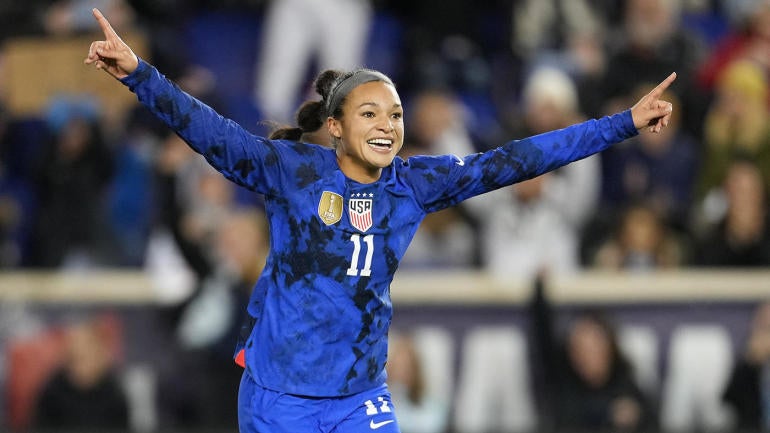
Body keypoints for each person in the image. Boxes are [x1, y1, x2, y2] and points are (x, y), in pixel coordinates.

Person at [84, 8, 676, 432]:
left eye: (394, 114)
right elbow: (209, 133)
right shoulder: (294, 172)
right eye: (370, 113)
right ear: (336, 127)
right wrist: (139, 72)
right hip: (279, 397)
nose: (388, 125)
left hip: (360, 395)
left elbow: (518, 159)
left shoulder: (415, 184)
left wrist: (622, 123)